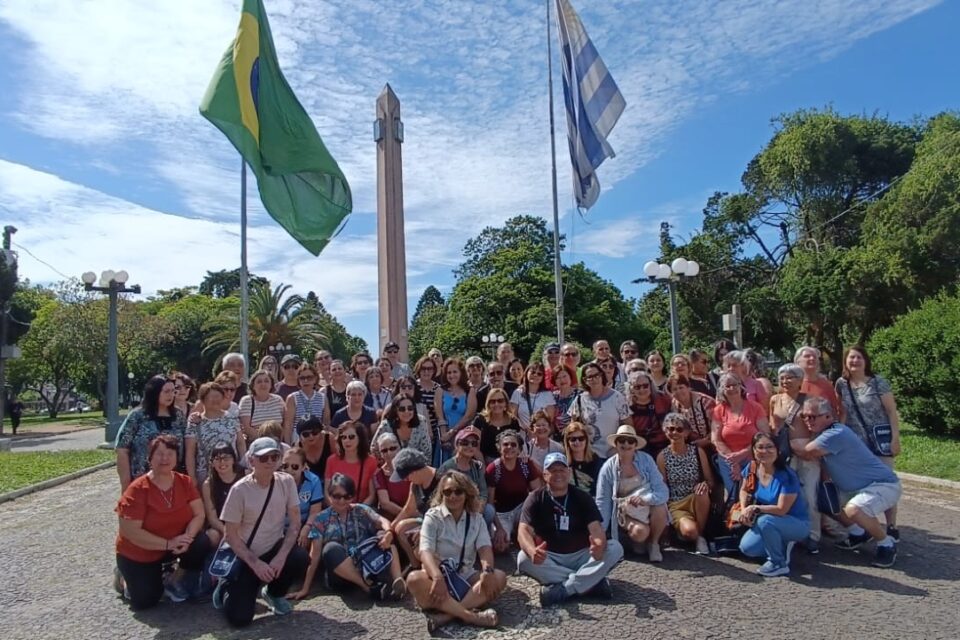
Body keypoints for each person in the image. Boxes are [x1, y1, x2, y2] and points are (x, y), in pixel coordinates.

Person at [792, 397, 902, 568]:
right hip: (855, 488)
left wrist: (784, 439)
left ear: (828, 416)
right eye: (804, 416)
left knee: (854, 510)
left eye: (812, 417)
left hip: (883, 485)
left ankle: (886, 543)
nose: (807, 421)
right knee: (827, 503)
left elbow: (807, 453)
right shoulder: (825, 432)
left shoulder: (835, 433)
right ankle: (858, 533)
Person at [216, 437, 309, 625]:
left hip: (273, 548)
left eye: (274, 457)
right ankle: (226, 587)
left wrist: (281, 557)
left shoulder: (287, 482)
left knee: (299, 557)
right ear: (251, 461)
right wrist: (255, 564)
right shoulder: (239, 490)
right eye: (263, 458)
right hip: (245, 556)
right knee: (239, 620)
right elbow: (230, 535)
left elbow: (295, 523)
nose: (270, 462)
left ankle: (274, 593)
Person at [114, 435, 211, 609]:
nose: (165, 458)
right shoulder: (137, 489)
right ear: (150, 458)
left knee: (201, 541)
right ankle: (123, 578)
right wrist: (168, 543)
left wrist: (187, 538)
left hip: (174, 544)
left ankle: (174, 578)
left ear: (176, 457)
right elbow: (131, 532)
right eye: (159, 454)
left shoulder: (185, 482)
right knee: (145, 601)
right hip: (140, 551)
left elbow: (199, 514)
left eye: (170, 453)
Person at [518, 452, 624, 606]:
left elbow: (596, 529)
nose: (558, 474)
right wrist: (532, 551)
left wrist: (599, 545)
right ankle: (591, 584)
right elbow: (523, 531)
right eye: (553, 470)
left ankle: (565, 589)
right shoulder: (535, 497)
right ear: (545, 474)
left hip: (582, 555)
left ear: (568, 472)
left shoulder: (582, 497)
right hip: (550, 557)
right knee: (523, 558)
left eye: (562, 470)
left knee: (615, 548)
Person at [406, 470, 505, 631]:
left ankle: (448, 615)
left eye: (458, 491)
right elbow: (425, 551)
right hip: (438, 576)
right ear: (441, 494)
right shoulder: (433, 517)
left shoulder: (476, 519)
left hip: (464, 574)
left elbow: (485, 548)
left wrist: (487, 571)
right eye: (447, 492)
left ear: (467, 493)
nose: (453, 496)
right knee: (413, 579)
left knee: (499, 577)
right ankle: (471, 616)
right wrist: (437, 577)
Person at [294, 473, 404, 601]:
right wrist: (305, 588)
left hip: (366, 565)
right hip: (340, 576)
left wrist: (389, 533)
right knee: (330, 549)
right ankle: (368, 588)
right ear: (329, 496)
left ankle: (398, 579)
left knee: (384, 535)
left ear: (352, 497)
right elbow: (315, 555)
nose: (342, 501)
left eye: (347, 497)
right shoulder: (321, 519)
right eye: (337, 496)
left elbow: (382, 520)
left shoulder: (361, 510)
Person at [835, 345, 902, 540]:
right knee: (861, 484)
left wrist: (895, 439)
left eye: (858, 358)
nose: (854, 361)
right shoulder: (841, 384)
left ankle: (891, 526)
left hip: (879, 440)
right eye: (851, 358)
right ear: (845, 362)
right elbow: (843, 412)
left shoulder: (878, 383)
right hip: (856, 443)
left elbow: (891, 411)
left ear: (865, 361)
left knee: (885, 481)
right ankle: (865, 522)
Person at [738, 432, 810, 577]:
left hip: (796, 522)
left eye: (770, 447)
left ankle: (778, 563)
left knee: (765, 521)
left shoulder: (787, 475)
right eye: (760, 447)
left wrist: (755, 508)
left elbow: (781, 510)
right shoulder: (752, 468)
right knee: (747, 549)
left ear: (778, 449)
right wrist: (744, 508)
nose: (765, 451)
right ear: (753, 450)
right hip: (769, 519)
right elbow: (744, 489)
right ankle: (781, 544)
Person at [595, 425, 670, 562]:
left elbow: (662, 491)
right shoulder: (607, 468)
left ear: (636, 445)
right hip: (624, 511)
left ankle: (654, 543)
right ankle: (635, 539)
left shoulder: (647, 460)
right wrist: (600, 533)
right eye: (622, 440)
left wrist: (645, 499)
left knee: (660, 507)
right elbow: (603, 501)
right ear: (616, 444)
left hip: (647, 506)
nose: (626, 444)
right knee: (640, 534)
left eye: (630, 441)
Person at [770, 363, 821, 553]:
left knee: (809, 495)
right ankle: (791, 532)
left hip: (806, 453)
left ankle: (813, 534)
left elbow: (817, 429)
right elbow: (773, 426)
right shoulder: (775, 400)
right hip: (785, 454)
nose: (785, 381)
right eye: (782, 377)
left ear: (800, 380)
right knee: (787, 495)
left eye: (790, 377)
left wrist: (811, 450)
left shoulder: (809, 400)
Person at [116, 375, 188, 492]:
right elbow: (122, 449)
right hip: (142, 482)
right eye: (166, 391)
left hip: (173, 481)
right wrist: (126, 483)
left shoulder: (178, 416)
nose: (171, 395)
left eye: (173, 391)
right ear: (155, 392)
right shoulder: (137, 416)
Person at [656, 414, 714, 555]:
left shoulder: (697, 452)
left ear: (687, 432)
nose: (675, 433)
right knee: (690, 532)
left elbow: (710, 480)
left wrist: (705, 485)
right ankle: (691, 533)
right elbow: (662, 488)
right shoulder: (662, 456)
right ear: (665, 431)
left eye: (679, 429)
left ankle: (700, 538)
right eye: (670, 429)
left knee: (702, 492)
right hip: (676, 504)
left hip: (697, 499)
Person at [711, 372, 770, 496]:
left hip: (754, 457)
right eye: (727, 386)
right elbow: (716, 439)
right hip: (728, 460)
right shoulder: (719, 410)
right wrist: (734, 461)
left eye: (735, 385)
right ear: (721, 390)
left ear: (741, 386)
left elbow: (764, 435)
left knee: (754, 494)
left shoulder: (755, 407)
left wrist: (742, 454)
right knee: (735, 496)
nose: (732, 388)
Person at [486, 430, 542, 552]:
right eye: (505, 444)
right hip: (502, 513)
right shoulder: (493, 469)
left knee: (536, 538)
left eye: (513, 444)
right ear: (499, 448)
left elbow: (538, 493)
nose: (509, 447)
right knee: (500, 546)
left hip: (523, 508)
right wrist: (499, 528)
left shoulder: (526, 465)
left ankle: (521, 532)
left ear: (519, 449)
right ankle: (514, 533)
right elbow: (490, 503)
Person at [390, 448, 442, 568]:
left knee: (420, 547)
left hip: (443, 526)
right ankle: (414, 565)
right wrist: (390, 529)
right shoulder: (415, 486)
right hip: (426, 521)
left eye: (407, 477)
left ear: (414, 472)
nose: (406, 480)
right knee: (400, 528)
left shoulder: (442, 480)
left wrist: (425, 530)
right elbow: (409, 509)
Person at [185, 382, 244, 487]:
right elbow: (190, 452)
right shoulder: (195, 421)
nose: (215, 400)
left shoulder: (232, 418)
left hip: (232, 471)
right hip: (206, 474)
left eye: (218, 396)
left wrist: (243, 464)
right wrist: (192, 477)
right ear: (202, 400)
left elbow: (240, 443)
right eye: (211, 397)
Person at [568, 362, 630, 458]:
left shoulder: (617, 397)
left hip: (613, 453)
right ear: (585, 380)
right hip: (589, 454)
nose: (594, 379)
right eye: (590, 377)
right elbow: (573, 428)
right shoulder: (579, 400)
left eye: (597, 375)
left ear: (602, 376)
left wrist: (619, 447)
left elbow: (628, 424)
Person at [439, 427, 494, 524]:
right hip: (453, 505)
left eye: (474, 444)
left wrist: (478, 510)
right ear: (456, 445)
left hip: (473, 507)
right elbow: (440, 495)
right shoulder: (447, 467)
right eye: (465, 443)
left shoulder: (477, 466)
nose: (470, 446)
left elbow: (483, 492)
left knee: (489, 511)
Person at [434, 358, 477, 465]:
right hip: (444, 436)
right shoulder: (440, 390)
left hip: (463, 437)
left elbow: (469, 416)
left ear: (461, 373)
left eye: (455, 372)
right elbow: (440, 416)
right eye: (449, 372)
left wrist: (452, 432)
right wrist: (445, 436)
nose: (452, 375)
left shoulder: (469, 391)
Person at [325, 422, 378, 506]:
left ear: (360, 438)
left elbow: (372, 495)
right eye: (343, 437)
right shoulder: (331, 460)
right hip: (336, 509)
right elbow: (327, 493)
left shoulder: (371, 461)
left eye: (351, 437)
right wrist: (338, 509)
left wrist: (358, 510)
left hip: (361, 508)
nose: (347, 440)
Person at [201, 442, 243, 546]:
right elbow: (212, 517)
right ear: (212, 463)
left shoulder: (245, 476)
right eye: (217, 459)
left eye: (226, 458)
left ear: (233, 459)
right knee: (212, 535)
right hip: (222, 526)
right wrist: (227, 532)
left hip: (244, 523)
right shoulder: (208, 484)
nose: (222, 462)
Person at [281, 448, 324, 547]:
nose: (289, 470)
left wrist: (307, 527)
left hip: (304, 524)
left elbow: (315, 511)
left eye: (295, 467)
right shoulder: (276, 481)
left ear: (304, 467)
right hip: (280, 527)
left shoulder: (313, 481)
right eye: (285, 466)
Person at [370, 394, 432, 461]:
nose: (406, 411)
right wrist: (385, 464)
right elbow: (374, 448)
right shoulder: (386, 425)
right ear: (395, 410)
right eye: (402, 409)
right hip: (392, 467)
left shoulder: (421, 422)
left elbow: (427, 452)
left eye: (410, 408)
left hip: (416, 467)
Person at [627, 370, 672, 459]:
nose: (642, 389)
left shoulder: (663, 399)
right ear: (631, 388)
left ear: (650, 385)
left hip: (664, 444)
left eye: (645, 386)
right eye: (637, 387)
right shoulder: (626, 405)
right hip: (640, 447)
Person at [283, 363, 328, 445]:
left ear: (315, 379)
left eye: (309, 378)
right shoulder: (292, 398)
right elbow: (288, 426)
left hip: (317, 438)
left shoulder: (322, 398)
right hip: (298, 439)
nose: (306, 381)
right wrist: (288, 446)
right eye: (302, 378)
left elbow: (326, 423)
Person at [474, 387, 522, 462]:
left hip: (508, 461)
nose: (496, 404)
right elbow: (475, 447)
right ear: (488, 404)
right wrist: (482, 465)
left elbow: (517, 445)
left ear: (506, 403)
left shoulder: (513, 421)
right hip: (484, 460)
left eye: (500, 401)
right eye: (492, 401)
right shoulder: (480, 420)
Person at [795, 346, 843, 419]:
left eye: (815, 357)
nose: (812, 358)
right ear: (798, 361)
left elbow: (835, 410)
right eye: (807, 356)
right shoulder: (790, 384)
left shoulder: (826, 384)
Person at [238, 370, 285, 443]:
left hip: (278, 442)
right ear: (253, 386)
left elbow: (284, 423)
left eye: (266, 381)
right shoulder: (246, 401)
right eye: (259, 382)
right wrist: (266, 441)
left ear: (271, 384)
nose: (263, 384)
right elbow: (246, 428)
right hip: (256, 442)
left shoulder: (278, 400)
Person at [668, 373, 714, 448]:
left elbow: (718, 429)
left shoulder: (706, 402)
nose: (678, 391)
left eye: (681, 387)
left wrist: (701, 443)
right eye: (675, 389)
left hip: (712, 444)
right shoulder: (674, 405)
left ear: (688, 388)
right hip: (690, 445)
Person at [373, 433, 411, 518]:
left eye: (393, 448)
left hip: (415, 512)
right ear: (380, 454)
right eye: (384, 450)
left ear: (400, 447)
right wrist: (408, 515)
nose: (389, 453)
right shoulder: (379, 474)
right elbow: (385, 504)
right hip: (392, 517)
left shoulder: (411, 468)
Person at [563, 422, 603, 497]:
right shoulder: (563, 462)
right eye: (573, 439)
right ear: (567, 442)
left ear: (586, 440)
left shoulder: (595, 461)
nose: (577, 442)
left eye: (581, 438)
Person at [413, 357, 442, 454]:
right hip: (415, 430)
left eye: (429, 369)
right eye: (423, 368)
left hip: (433, 431)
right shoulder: (413, 386)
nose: (426, 371)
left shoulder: (438, 388)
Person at [296, 416, 335, 481]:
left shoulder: (329, 438)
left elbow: (340, 459)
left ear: (320, 431)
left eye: (315, 432)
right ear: (300, 436)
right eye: (306, 434)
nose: (311, 436)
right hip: (311, 482)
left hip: (332, 478)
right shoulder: (298, 447)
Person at [552, 364, 580, 439]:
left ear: (570, 377)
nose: (562, 380)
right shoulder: (552, 397)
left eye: (564, 376)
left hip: (575, 435)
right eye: (558, 378)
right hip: (556, 436)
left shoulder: (580, 395)